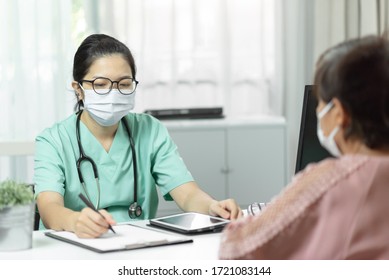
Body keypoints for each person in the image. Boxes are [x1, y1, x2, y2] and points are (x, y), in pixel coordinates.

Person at [34, 34, 242, 238]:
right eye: (100, 84)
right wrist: (75, 221)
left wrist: (212, 207)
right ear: (78, 90)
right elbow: (49, 206)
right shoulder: (53, 141)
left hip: (138, 244)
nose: (113, 93)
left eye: (124, 84)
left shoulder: (150, 130)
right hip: (76, 246)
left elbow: (187, 193)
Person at [219, 35, 389, 259]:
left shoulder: (329, 181)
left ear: (339, 114)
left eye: (320, 101)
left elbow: (236, 249)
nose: (318, 109)